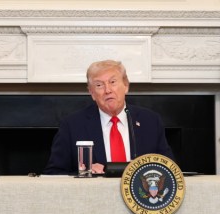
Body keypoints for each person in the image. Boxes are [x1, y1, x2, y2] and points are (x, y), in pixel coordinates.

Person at [44, 59, 174, 175]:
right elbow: (53, 173)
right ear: (92, 93)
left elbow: (169, 169)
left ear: (126, 85)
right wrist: (84, 173)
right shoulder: (72, 125)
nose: (107, 90)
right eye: (99, 85)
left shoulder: (150, 121)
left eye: (113, 82)